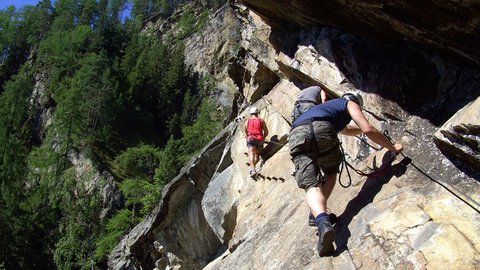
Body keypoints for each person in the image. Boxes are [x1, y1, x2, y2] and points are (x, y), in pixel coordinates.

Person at [288, 91, 403, 257]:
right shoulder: (348, 103)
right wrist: (392, 147)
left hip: (297, 133)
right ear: (355, 101)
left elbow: (348, 130)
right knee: (330, 173)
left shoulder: (325, 108)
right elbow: (367, 128)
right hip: (322, 128)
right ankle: (318, 216)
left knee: (311, 185)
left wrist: (361, 131)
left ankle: (319, 217)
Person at [245, 107, 269, 177]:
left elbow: (246, 132)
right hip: (259, 139)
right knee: (257, 155)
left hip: (250, 138)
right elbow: (266, 132)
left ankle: (253, 170)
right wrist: (263, 138)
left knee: (251, 154)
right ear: (257, 113)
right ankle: (253, 169)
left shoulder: (247, 122)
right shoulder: (261, 120)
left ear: (251, 114)